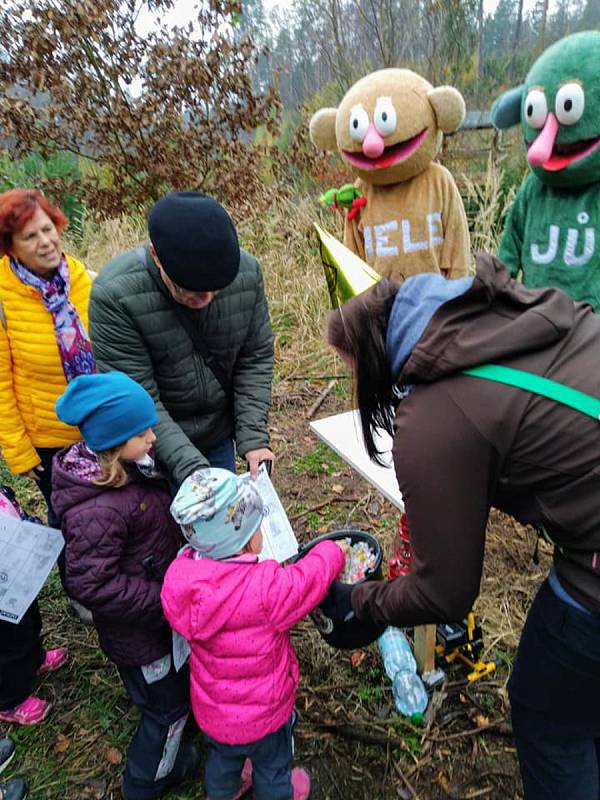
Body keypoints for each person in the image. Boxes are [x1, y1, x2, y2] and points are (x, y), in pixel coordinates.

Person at [324, 253, 600, 800]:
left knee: (548, 719)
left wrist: (360, 602)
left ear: (371, 356)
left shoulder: (432, 419)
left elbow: (446, 592)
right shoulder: (519, 315)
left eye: (351, 370)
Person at [52, 372, 198, 800]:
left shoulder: (130, 470)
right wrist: (162, 599)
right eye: (142, 432)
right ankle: (147, 779)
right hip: (141, 635)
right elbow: (89, 584)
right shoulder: (96, 508)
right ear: (114, 441)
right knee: (166, 710)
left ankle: (168, 746)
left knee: (169, 689)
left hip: (156, 622)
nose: (154, 437)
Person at [161, 468, 347, 800]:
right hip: (266, 715)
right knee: (274, 767)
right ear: (246, 539)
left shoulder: (180, 577)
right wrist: (331, 553)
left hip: (214, 713)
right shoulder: (266, 589)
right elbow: (308, 580)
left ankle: (223, 792)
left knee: (221, 761)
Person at [88, 191, 274, 487]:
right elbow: (139, 397)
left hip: (216, 433)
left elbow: (254, 357)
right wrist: (193, 470)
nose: (205, 299)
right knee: (163, 528)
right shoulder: (116, 295)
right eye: (189, 289)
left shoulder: (246, 273)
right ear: (155, 257)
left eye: (215, 289)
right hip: (148, 444)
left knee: (224, 525)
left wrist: (252, 436)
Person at [0, 189, 94, 528]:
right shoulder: (3, 298)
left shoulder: (85, 281)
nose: (45, 242)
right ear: (9, 247)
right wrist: (19, 450)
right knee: (69, 522)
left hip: (101, 426)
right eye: (30, 236)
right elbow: (1, 386)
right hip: (49, 442)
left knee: (112, 516)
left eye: (47, 229)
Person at [0, 485, 68, 726]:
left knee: (27, 619)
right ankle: (10, 700)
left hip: (11, 561)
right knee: (6, 641)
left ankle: (34, 659)